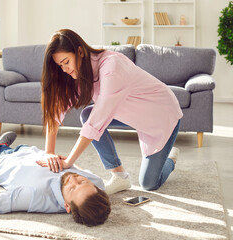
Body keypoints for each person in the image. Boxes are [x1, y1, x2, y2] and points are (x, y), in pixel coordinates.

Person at [38, 29, 182, 194]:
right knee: (86, 114)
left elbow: (96, 121)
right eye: (60, 65)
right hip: (133, 115)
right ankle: (120, 175)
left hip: (163, 114)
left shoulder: (111, 67)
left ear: (79, 51)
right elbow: (56, 112)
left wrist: (69, 161)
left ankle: (170, 157)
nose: (64, 69)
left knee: (149, 183)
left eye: (66, 62)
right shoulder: (79, 73)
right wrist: (49, 153)